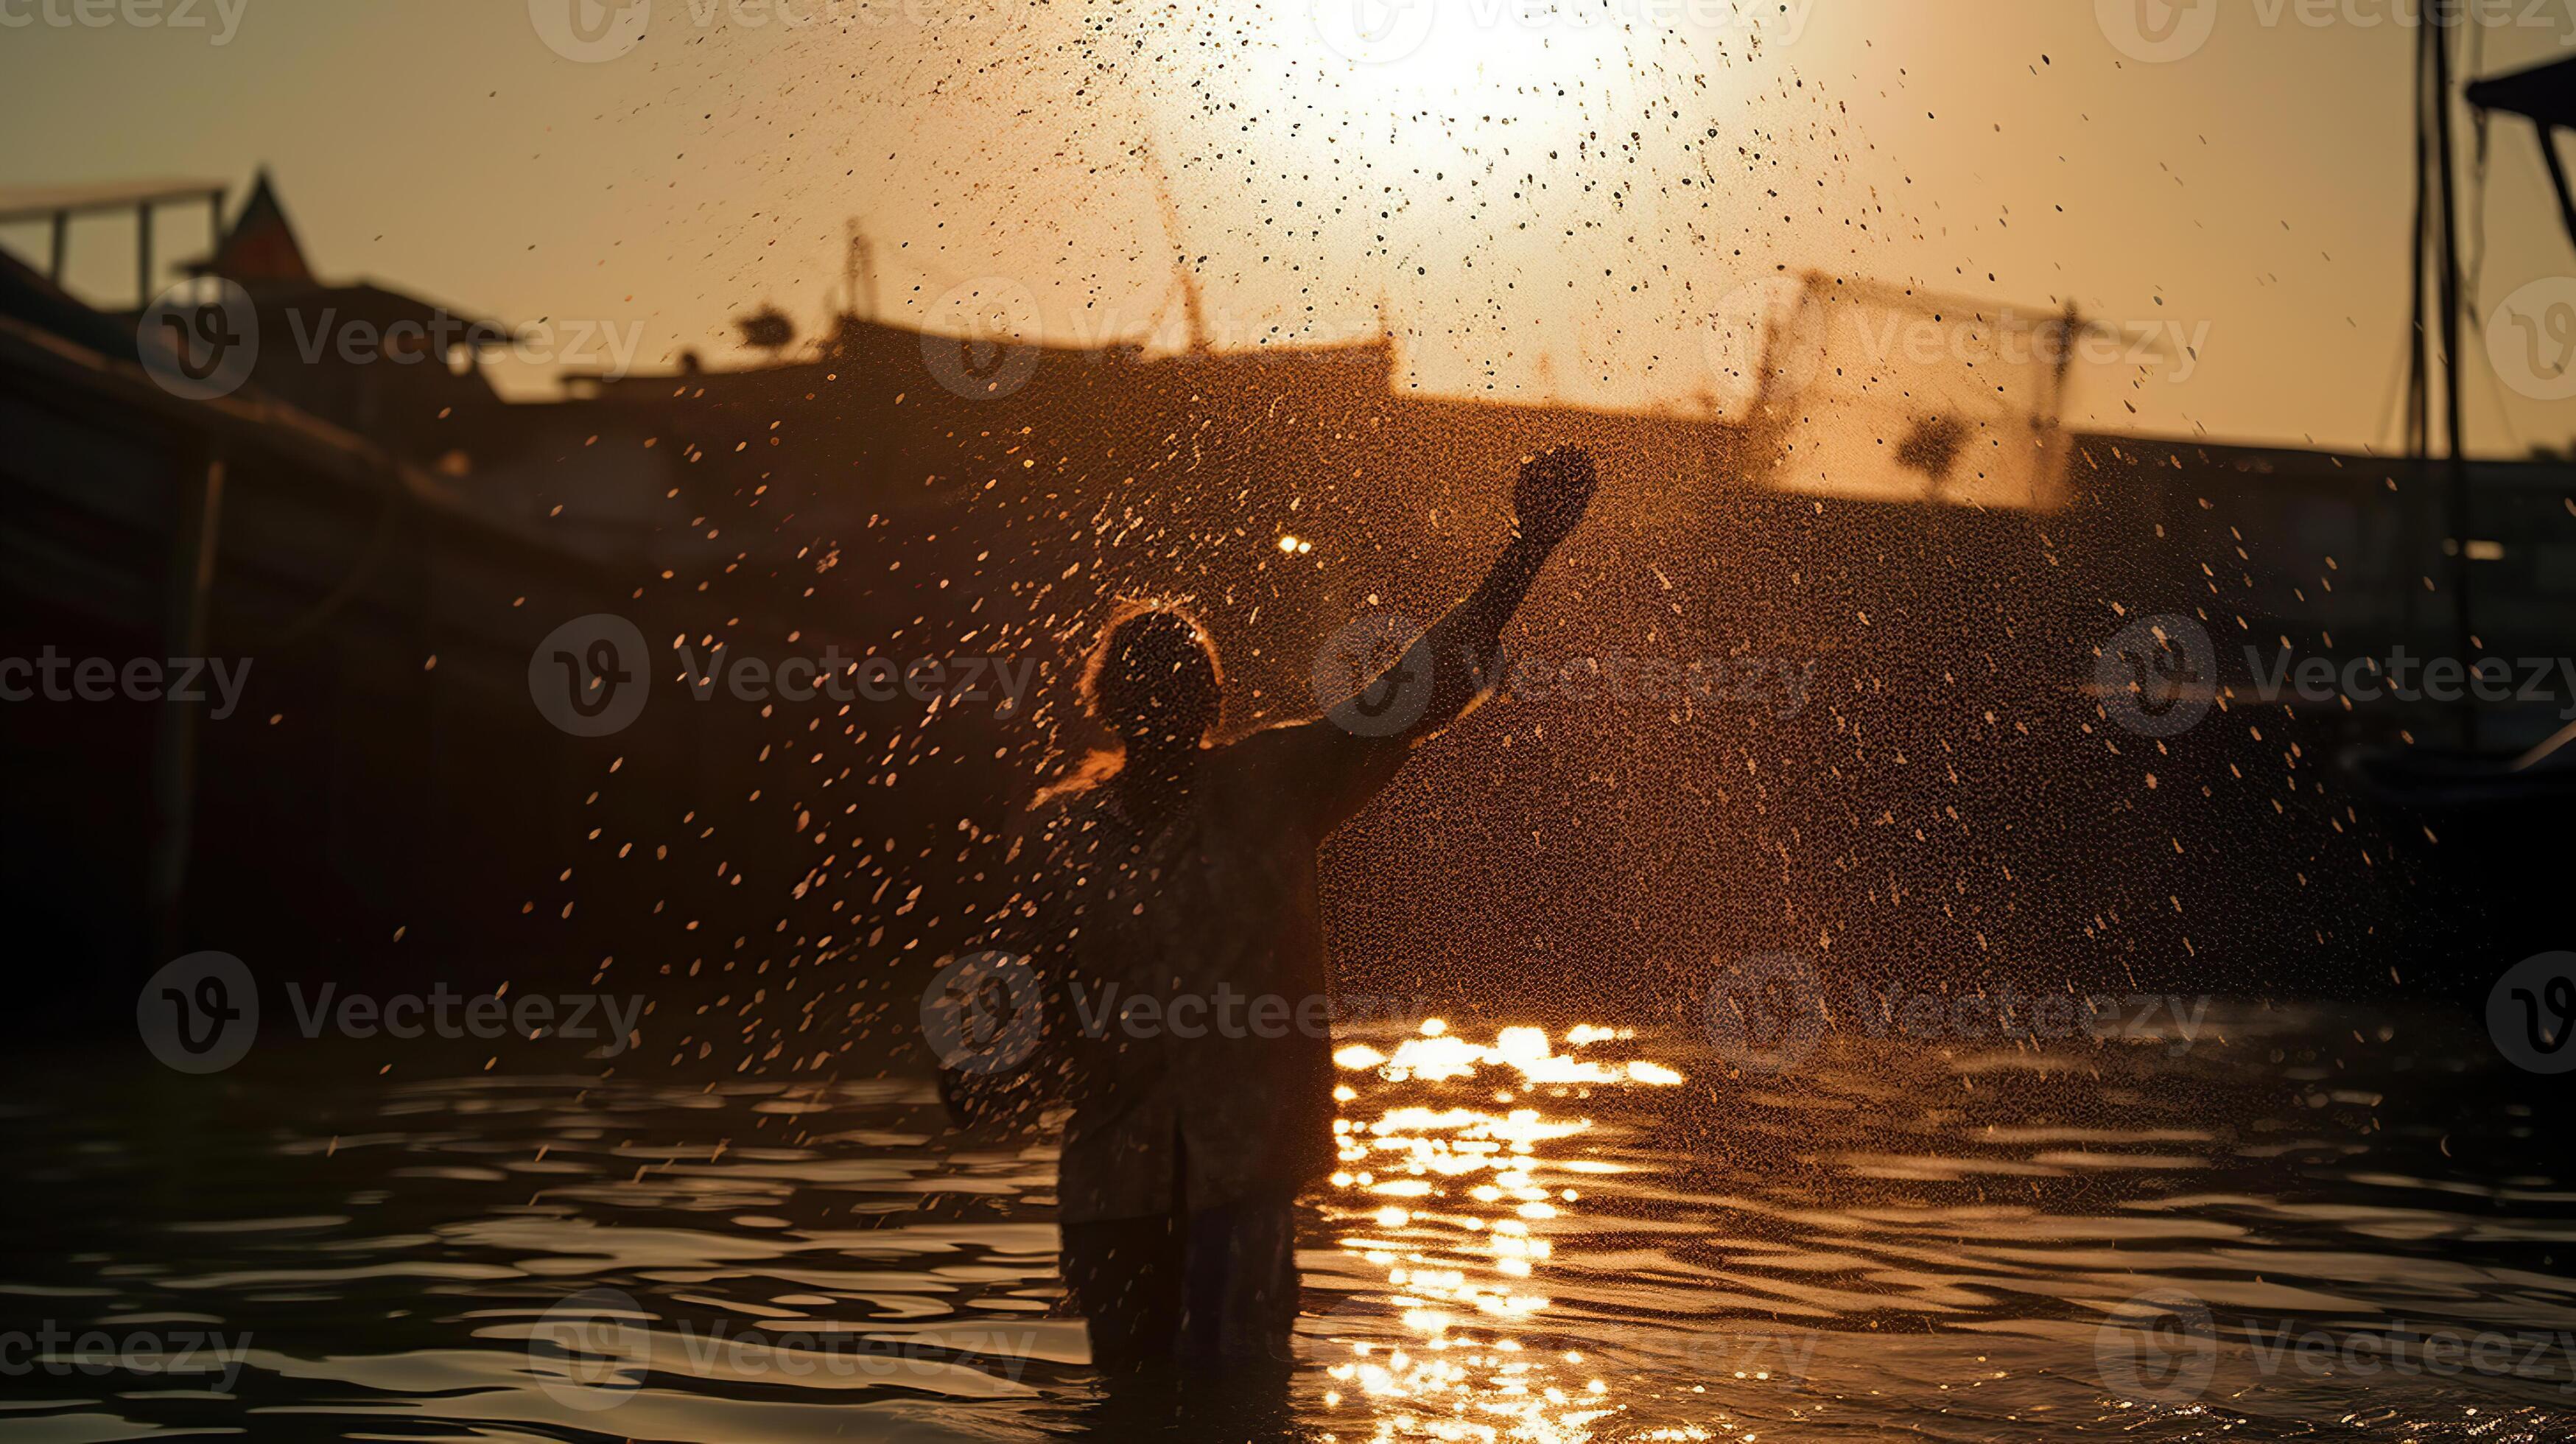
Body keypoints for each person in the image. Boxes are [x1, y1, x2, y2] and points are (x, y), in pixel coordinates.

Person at [957, 444, 1597, 1375]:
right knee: (1128, 1409)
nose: (1167, 698)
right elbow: (1037, 996)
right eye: (1147, 682)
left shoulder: (1274, 785)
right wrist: (989, 1070)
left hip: (1239, 1176)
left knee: (1237, 1408)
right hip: (1113, 1184)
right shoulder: (1066, 835)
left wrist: (1526, 547)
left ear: (1210, 698)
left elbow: (1415, 686)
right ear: (1110, 701)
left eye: (1183, 681)